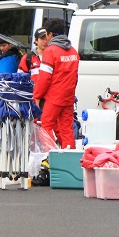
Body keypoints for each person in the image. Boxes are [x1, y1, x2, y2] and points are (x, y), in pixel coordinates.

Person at [33, 18, 79, 149]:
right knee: (66, 129)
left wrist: (37, 96)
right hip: (68, 97)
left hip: (54, 97)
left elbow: (44, 78)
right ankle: (69, 159)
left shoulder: (50, 51)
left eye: (46, 34)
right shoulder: (73, 52)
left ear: (50, 34)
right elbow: (75, 77)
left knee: (46, 126)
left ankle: (49, 157)